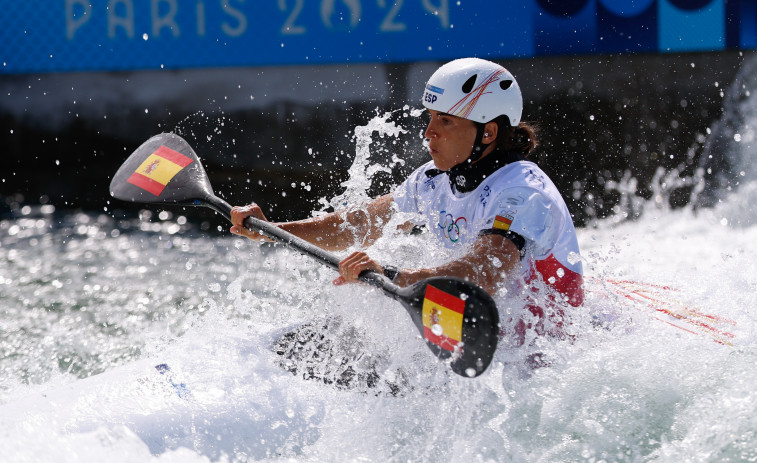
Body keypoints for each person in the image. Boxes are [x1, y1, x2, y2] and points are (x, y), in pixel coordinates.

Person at [231, 57, 584, 346]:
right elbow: (361, 223)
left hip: (539, 353)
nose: (429, 132)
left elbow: (486, 270)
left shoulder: (522, 193)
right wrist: (273, 231)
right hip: (473, 334)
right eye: (430, 117)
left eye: (445, 120)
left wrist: (397, 276)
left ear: (488, 132)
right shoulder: (434, 178)